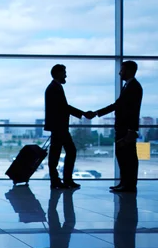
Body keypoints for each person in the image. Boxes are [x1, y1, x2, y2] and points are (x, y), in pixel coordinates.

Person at [86, 61, 143, 193]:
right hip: (124, 128)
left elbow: (131, 110)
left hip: (126, 129)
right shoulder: (129, 86)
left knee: (128, 158)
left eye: (122, 70)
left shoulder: (134, 87)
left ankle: (128, 185)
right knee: (123, 157)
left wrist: (131, 130)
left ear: (128, 71)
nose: (119, 73)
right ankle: (124, 183)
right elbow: (119, 105)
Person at [44, 64, 85, 189]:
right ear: (57, 73)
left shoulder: (54, 87)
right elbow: (64, 107)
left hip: (58, 127)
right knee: (68, 152)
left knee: (56, 154)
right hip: (59, 127)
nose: (65, 75)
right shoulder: (55, 88)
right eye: (64, 73)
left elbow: (62, 107)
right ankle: (63, 179)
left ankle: (58, 180)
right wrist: (82, 113)